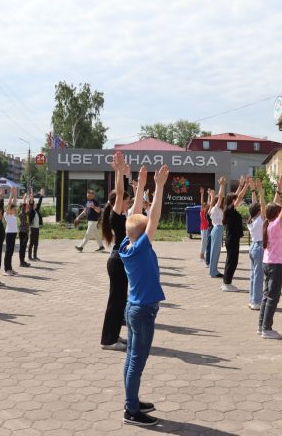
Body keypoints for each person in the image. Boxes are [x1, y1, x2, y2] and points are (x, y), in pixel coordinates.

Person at [119, 164, 169, 427]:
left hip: (134, 308)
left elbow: (135, 217)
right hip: (143, 310)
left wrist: (140, 186)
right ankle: (131, 410)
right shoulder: (139, 248)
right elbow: (153, 218)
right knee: (137, 360)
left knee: (131, 358)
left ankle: (132, 400)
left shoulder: (126, 244)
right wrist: (158, 187)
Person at [100, 153, 135, 351]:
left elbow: (123, 193)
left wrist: (123, 173)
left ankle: (113, 335)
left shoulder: (120, 215)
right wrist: (119, 172)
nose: (127, 204)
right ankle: (108, 340)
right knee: (116, 301)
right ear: (117, 202)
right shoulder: (115, 214)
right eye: (125, 201)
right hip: (117, 261)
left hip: (120, 261)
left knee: (119, 300)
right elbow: (120, 192)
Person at [259, 174, 282, 339]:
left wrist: (279, 188)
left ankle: (261, 326)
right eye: (280, 212)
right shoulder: (275, 224)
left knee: (266, 296)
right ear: (277, 214)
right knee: (272, 297)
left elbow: (274, 206)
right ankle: (266, 328)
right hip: (275, 264)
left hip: (267, 262)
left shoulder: (268, 222)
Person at [221, 176, 249, 292]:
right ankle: (227, 283)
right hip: (232, 239)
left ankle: (226, 282)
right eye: (235, 200)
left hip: (231, 238)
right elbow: (240, 196)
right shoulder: (230, 210)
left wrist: (241, 185)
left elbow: (237, 196)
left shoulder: (229, 209)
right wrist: (245, 185)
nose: (237, 200)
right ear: (232, 201)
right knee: (232, 261)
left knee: (230, 260)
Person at [246, 178, 266, 309]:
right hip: (259, 247)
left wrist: (253, 189)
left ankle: (253, 299)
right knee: (259, 276)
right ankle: (256, 302)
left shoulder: (252, 220)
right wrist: (260, 190)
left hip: (253, 247)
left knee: (253, 275)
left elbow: (255, 205)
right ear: (258, 212)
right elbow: (262, 205)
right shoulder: (259, 220)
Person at [208, 177, 226, 279]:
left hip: (216, 229)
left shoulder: (212, 209)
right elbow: (220, 196)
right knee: (215, 251)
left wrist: (211, 196)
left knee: (215, 251)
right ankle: (213, 272)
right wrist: (222, 185)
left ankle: (213, 270)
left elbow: (217, 198)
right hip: (218, 228)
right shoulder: (216, 208)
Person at [3, 187, 19, 276]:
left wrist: (15, 194)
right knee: (8, 252)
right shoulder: (7, 215)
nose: (15, 210)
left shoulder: (12, 215)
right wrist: (11, 194)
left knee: (11, 252)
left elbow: (14, 202)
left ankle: (10, 268)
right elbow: (9, 204)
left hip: (13, 235)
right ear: (10, 209)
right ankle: (6, 269)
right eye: (14, 209)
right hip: (9, 234)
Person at [28, 189, 44, 261]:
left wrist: (41, 196)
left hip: (37, 228)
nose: (34, 204)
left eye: (34, 204)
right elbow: (31, 202)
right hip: (33, 228)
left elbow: (39, 203)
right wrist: (31, 195)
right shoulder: (31, 211)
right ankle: (29, 256)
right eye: (33, 204)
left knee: (36, 243)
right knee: (31, 243)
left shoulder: (36, 210)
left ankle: (35, 256)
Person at [18, 192, 31, 268]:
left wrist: (29, 198)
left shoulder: (26, 214)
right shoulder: (22, 214)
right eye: (26, 207)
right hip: (23, 232)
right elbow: (24, 205)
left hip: (25, 232)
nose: (28, 208)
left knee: (24, 247)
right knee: (22, 247)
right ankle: (21, 262)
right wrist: (24, 198)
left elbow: (30, 205)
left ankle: (22, 261)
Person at [199, 187, 210, 262]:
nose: (204, 207)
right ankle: (201, 257)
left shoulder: (207, 212)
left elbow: (209, 203)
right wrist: (202, 194)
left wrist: (209, 195)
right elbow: (202, 202)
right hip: (203, 229)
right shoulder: (202, 212)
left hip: (206, 229)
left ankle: (203, 256)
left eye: (205, 206)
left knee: (205, 243)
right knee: (203, 243)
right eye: (203, 206)